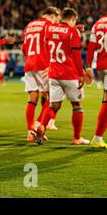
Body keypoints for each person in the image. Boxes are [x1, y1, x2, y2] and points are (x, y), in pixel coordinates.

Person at [35, 8, 89, 145]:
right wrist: (81, 73)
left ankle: (41, 127)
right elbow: (76, 54)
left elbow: (57, 38)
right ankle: (77, 138)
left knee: (54, 105)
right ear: (72, 19)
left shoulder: (51, 29)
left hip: (54, 73)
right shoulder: (73, 32)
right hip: (69, 74)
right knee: (77, 105)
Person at [22, 6, 61, 142]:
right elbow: (52, 44)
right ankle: (38, 126)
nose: (58, 20)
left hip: (29, 63)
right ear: (52, 15)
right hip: (43, 64)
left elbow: (24, 47)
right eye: (57, 17)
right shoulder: (48, 25)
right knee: (54, 97)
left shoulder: (29, 25)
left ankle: (30, 131)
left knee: (32, 98)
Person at [85, 15, 107, 148]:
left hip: (101, 65)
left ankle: (98, 137)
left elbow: (91, 47)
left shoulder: (97, 23)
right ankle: (98, 137)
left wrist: (88, 66)